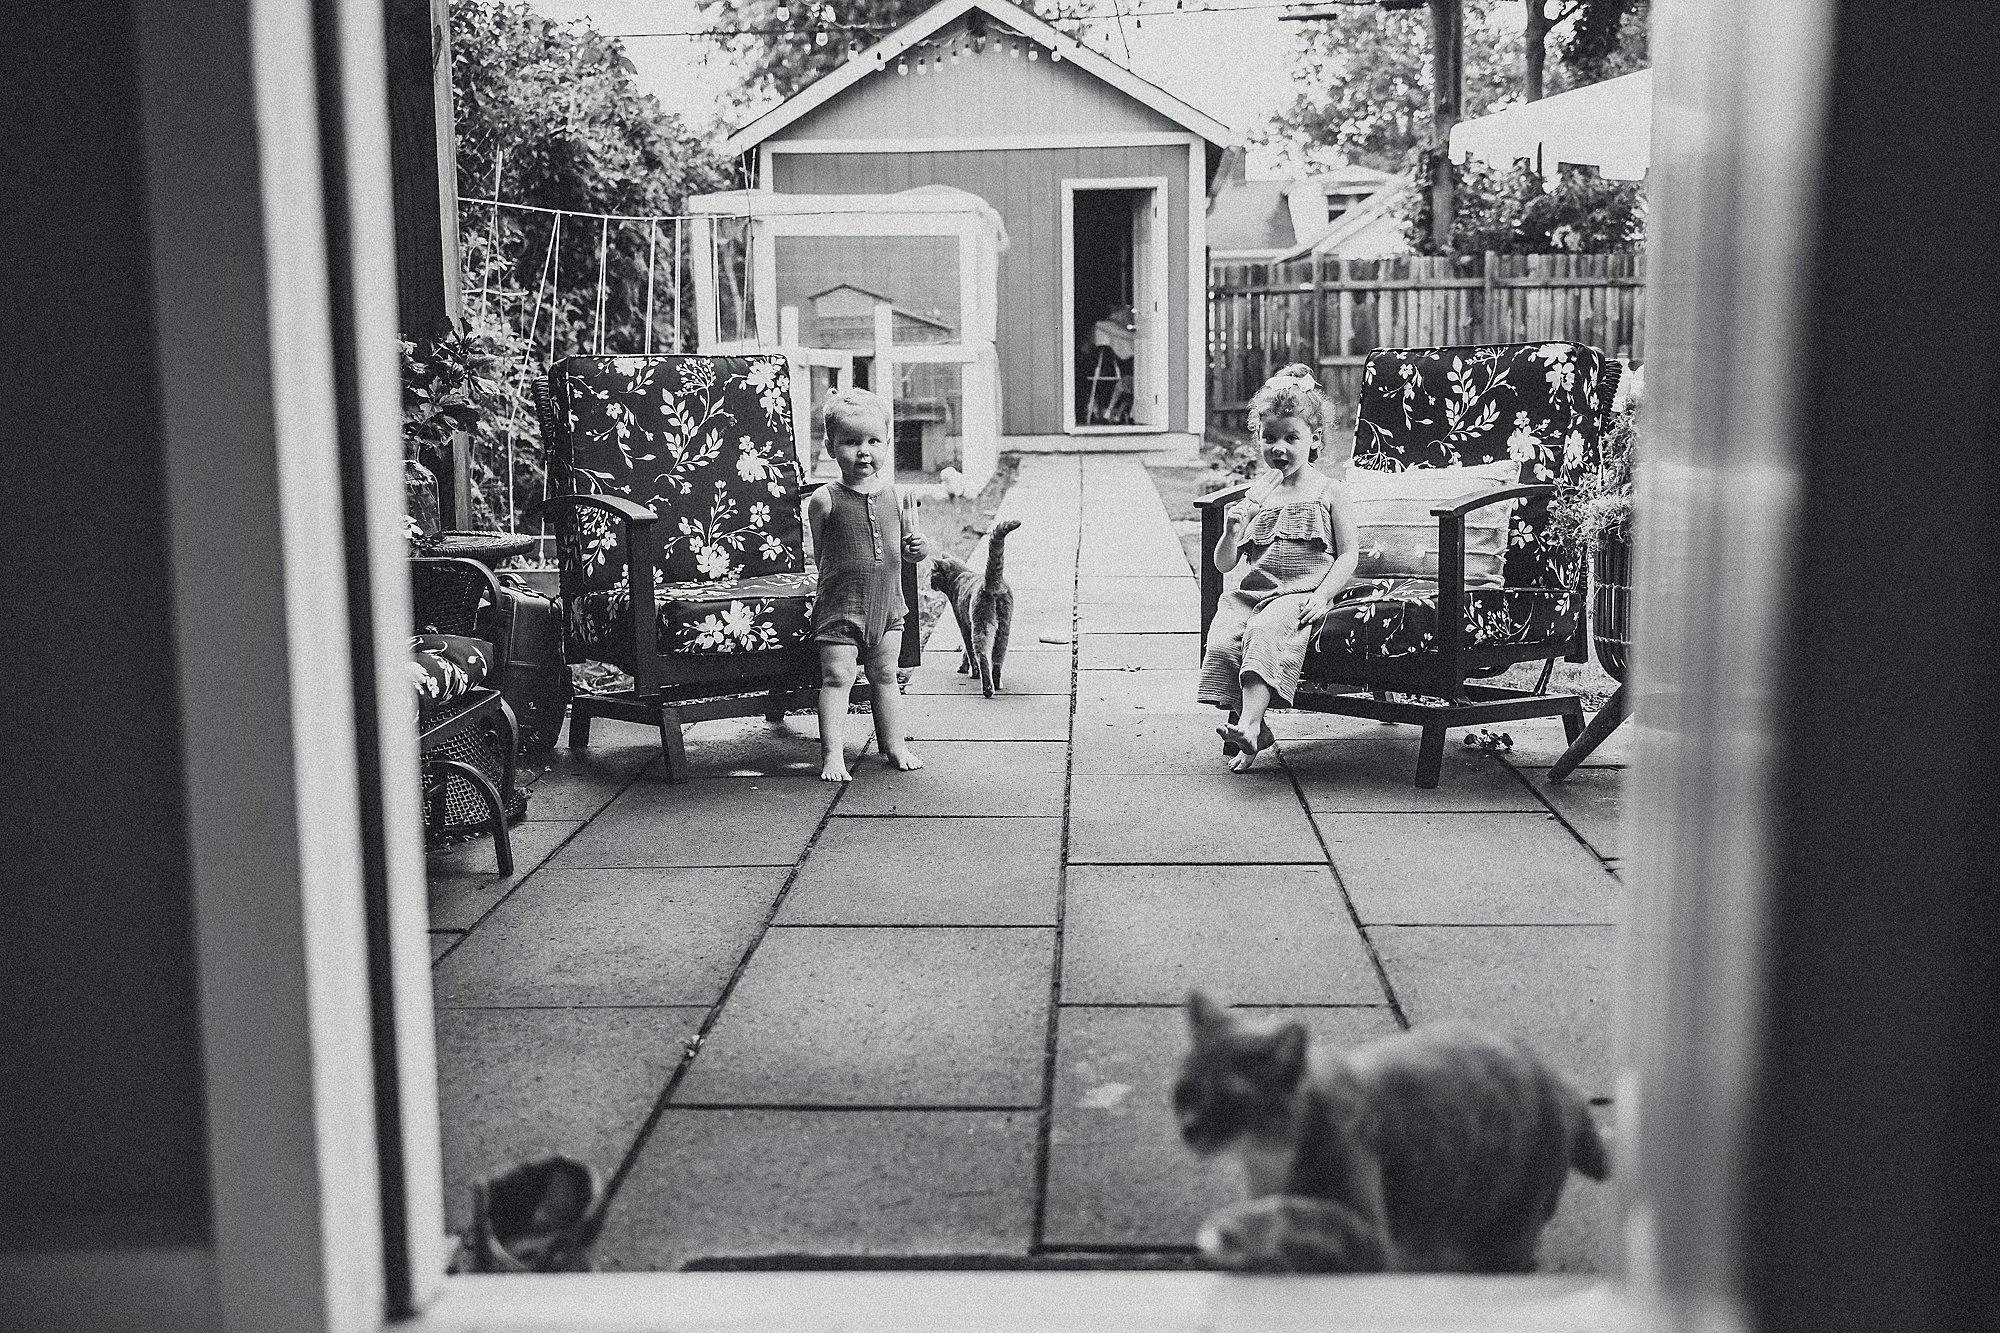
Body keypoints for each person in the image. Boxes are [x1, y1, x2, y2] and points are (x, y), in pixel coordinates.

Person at [1197, 365, 1360, 773]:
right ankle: (1260, 729)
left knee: (1265, 631)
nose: (1279, 448)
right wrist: (1232, 532)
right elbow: (1225, 564)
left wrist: (1323, 596)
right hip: (1252, 593)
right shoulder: (1259, 496)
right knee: (1220, 644)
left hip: (1299, 594)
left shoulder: (1329, 491)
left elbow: (1348, 555)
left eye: (1291, 437)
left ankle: (1249, 726)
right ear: (1258, 440)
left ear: (1315, 439)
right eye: (1269, 438)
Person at [807, 388, 928, 782]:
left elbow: (903, 553)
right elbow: (824, 553)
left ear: (888, 444)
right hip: (841, 607)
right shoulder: (824, 499)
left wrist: (917, 549)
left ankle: (893, 745)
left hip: (888, 608)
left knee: (885, 676)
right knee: (837, 678)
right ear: (829, 446)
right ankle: (832, 756)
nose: (864, 452)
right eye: (851, 442)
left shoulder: (895, 496)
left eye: (874, 441)